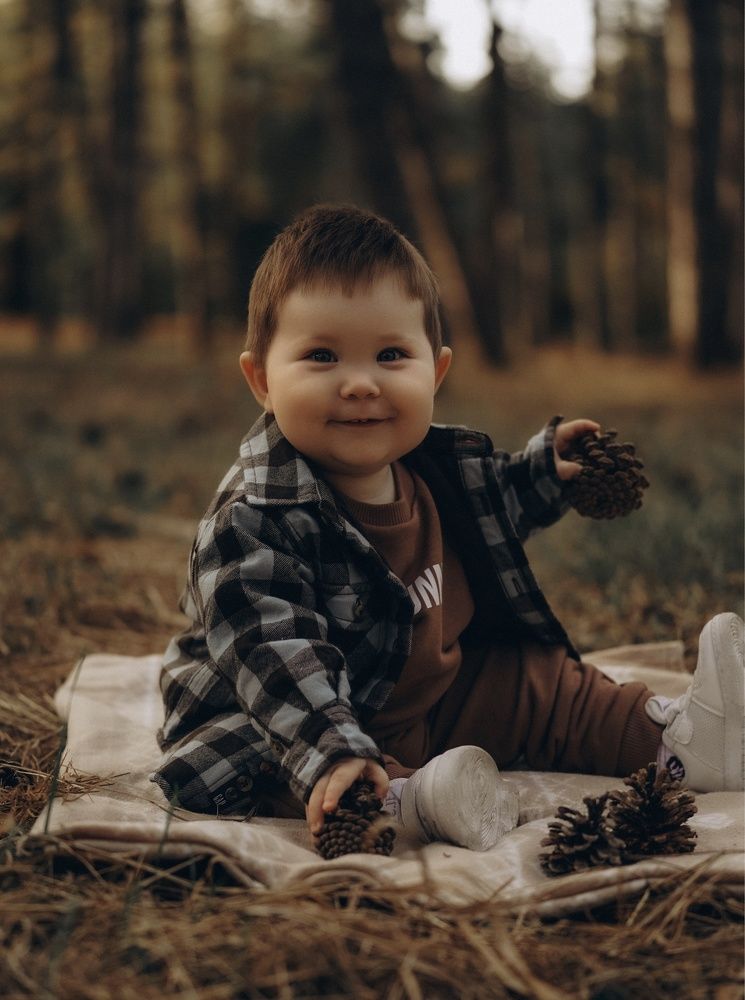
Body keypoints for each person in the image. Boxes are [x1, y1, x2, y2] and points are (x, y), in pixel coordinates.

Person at [151, 204, 744, 851]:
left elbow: (496, 500)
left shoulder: (435, 466)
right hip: (297, 715)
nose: (358, 383)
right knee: (254, 763)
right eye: (321, 356)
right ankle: (410, 802)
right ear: (261, 380)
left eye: (389, 355)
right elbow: (275, 655)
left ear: (433, 372)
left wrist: (551, 472)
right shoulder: (252, 520)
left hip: (435, 691)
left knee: (544, 685)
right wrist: (334, 748)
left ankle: (679, 747)